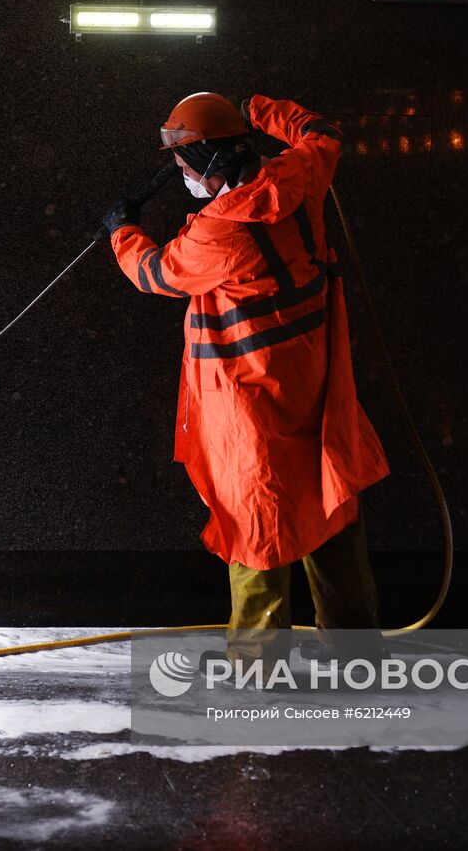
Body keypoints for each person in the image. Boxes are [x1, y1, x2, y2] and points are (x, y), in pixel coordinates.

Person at [102, 92, 391, 668]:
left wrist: (122, 230)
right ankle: (358, 659)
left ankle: (259, 673)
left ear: (210, 163)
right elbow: (321, 127)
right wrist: (253, 107)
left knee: (256, 526)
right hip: (314, 385)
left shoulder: (219, 234)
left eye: (184, 166)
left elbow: (155, 273)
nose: (180, 177)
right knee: (329, 507)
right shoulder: (302, 175)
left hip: (251, 405)